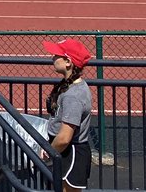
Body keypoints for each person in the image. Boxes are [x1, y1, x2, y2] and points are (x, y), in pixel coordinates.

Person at [42, 38, 94, 191]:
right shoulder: (69, 87)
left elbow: (64, 137)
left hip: (70, 154)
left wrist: (49, 152)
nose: (53, 58)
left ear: (68, 62)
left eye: (56, 55)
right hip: (63, 151)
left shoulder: (73, 96)